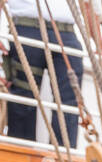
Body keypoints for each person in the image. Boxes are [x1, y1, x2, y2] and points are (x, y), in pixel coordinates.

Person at [1, 0, 84, 146]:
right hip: (27, 27)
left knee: (69, 103)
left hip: (66, 32)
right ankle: (21, 154)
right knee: (24, 97)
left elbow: (90, 5)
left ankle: (63, 157)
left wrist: (100, 47)